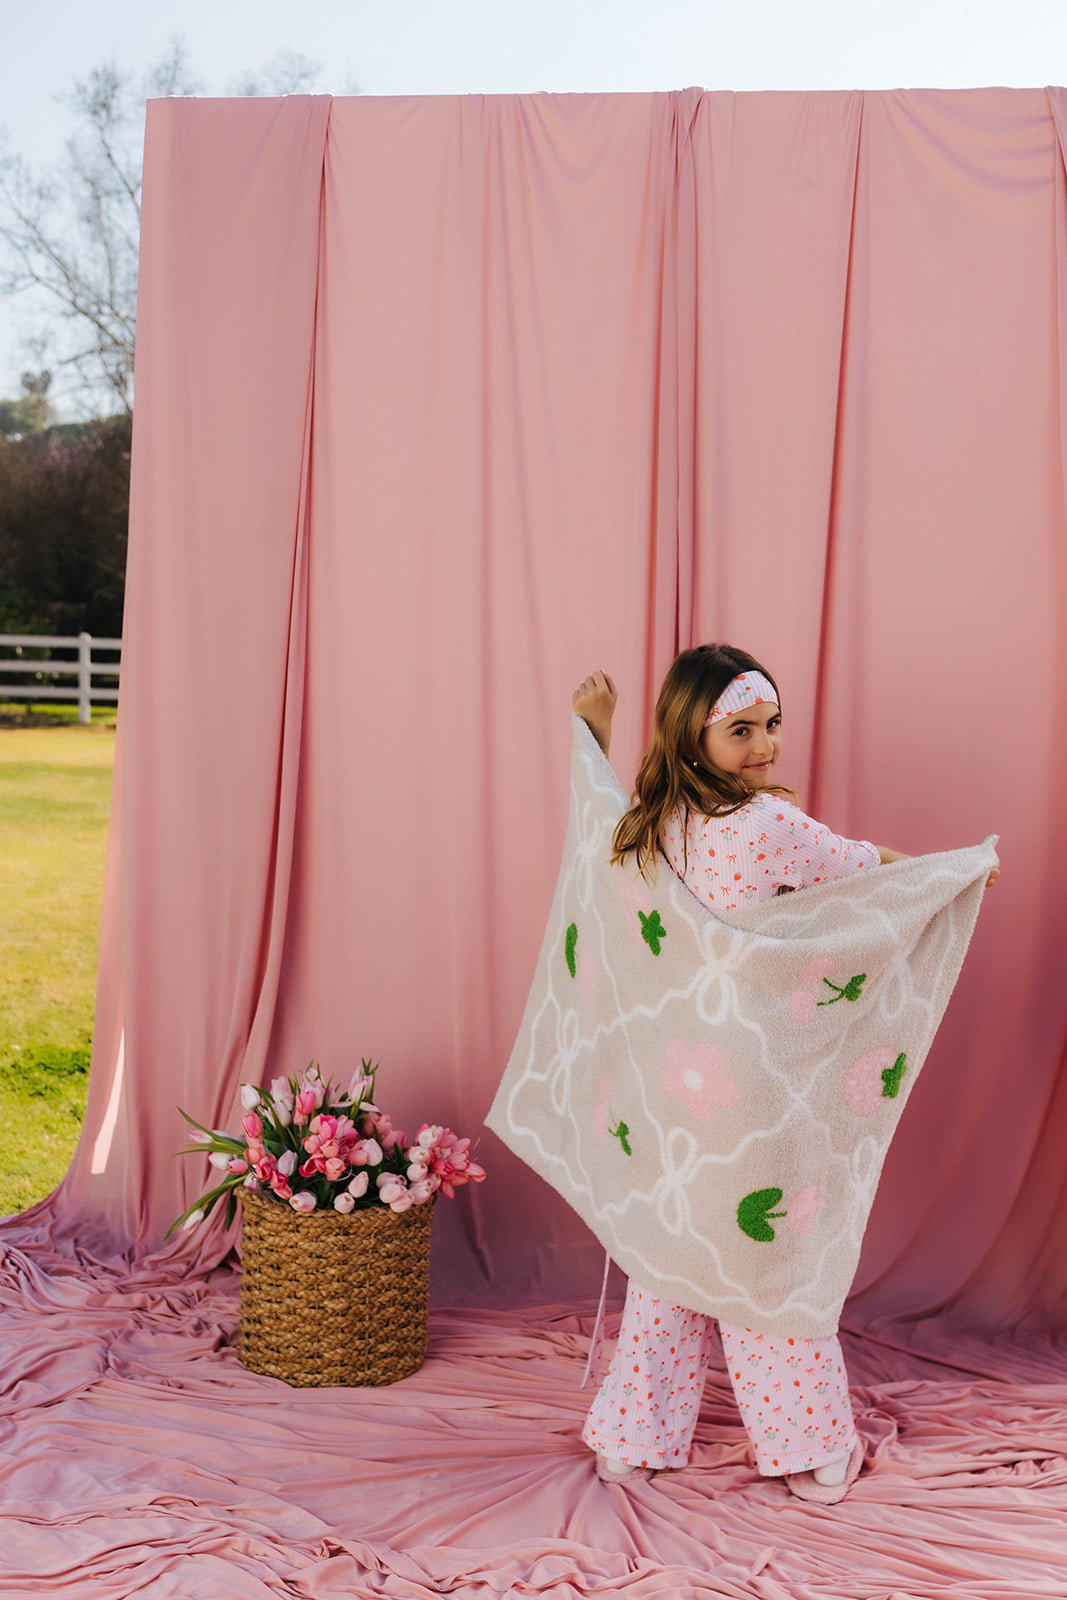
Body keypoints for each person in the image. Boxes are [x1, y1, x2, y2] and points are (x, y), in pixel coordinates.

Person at [571, 644, 997, 1502]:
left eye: (771, 724)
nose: (764, 745)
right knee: (767, 1262)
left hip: (675, 1079)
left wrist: (592, 735)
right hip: (754, 1086)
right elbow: (867, 870)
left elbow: (595, 823)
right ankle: (806, 1445)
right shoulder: (767, 826)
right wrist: (956, 873)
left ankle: (633, 1435)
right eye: (741, 730)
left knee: (675, 1251)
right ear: (692, 734)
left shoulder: (648, 825)